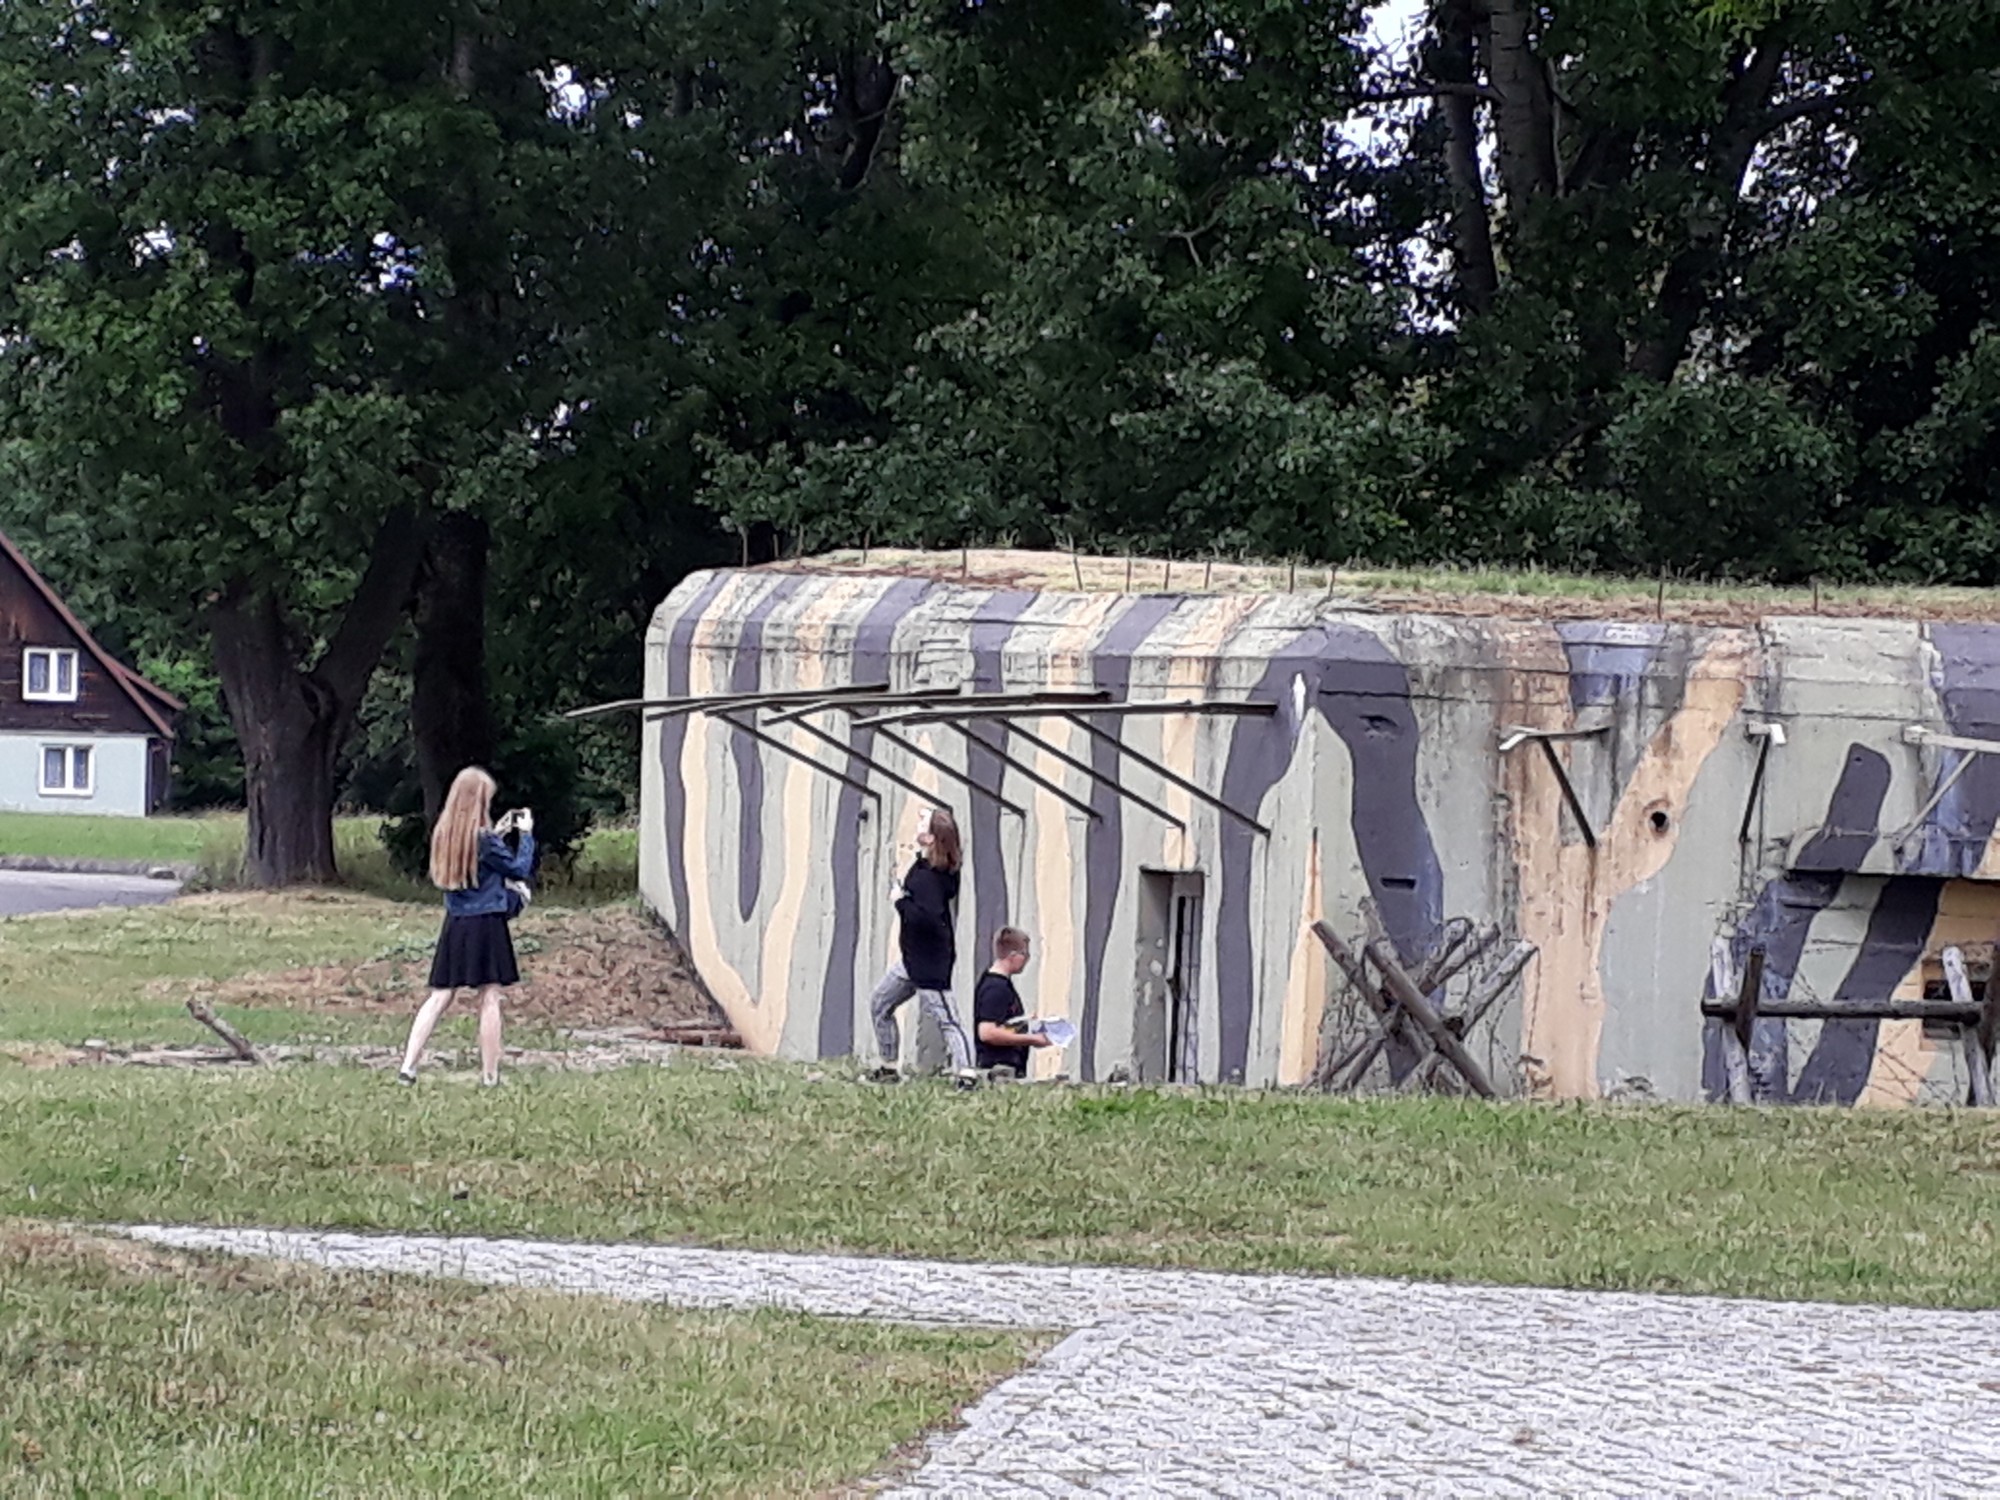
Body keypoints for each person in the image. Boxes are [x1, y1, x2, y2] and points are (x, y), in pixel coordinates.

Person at [397, 766, 536, 1088]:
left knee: (440, 995)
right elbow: (518, 868)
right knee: (490, 996)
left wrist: (498, 834)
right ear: (479, 801)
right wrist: (526, 835)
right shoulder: (484, 840)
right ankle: (490, 1076)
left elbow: (471, 862)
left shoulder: (444, 834)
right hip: (487, 922)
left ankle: (408, 1067)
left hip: (456, 923)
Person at [867, 807, 977, 1086]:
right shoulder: (927, 867)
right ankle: (888, 1067)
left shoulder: (931, 878)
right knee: (880, 1003)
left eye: (923, 823)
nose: (917, 825)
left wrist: (900, 900)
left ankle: (967, 1073)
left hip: (929, 963)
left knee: (948, 1019)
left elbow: (924, 918)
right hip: (911, 960)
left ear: (931, 838)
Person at [975, 926, 1053, 1079]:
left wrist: (1024, 1024)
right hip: (998, 1070)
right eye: (1025, 954)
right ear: (1013, 955)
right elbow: (987, 1033)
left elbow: (1003, 1024)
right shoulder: (996, 989)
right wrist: (1033, 1039)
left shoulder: (1000, 984)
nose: (1027, 959)